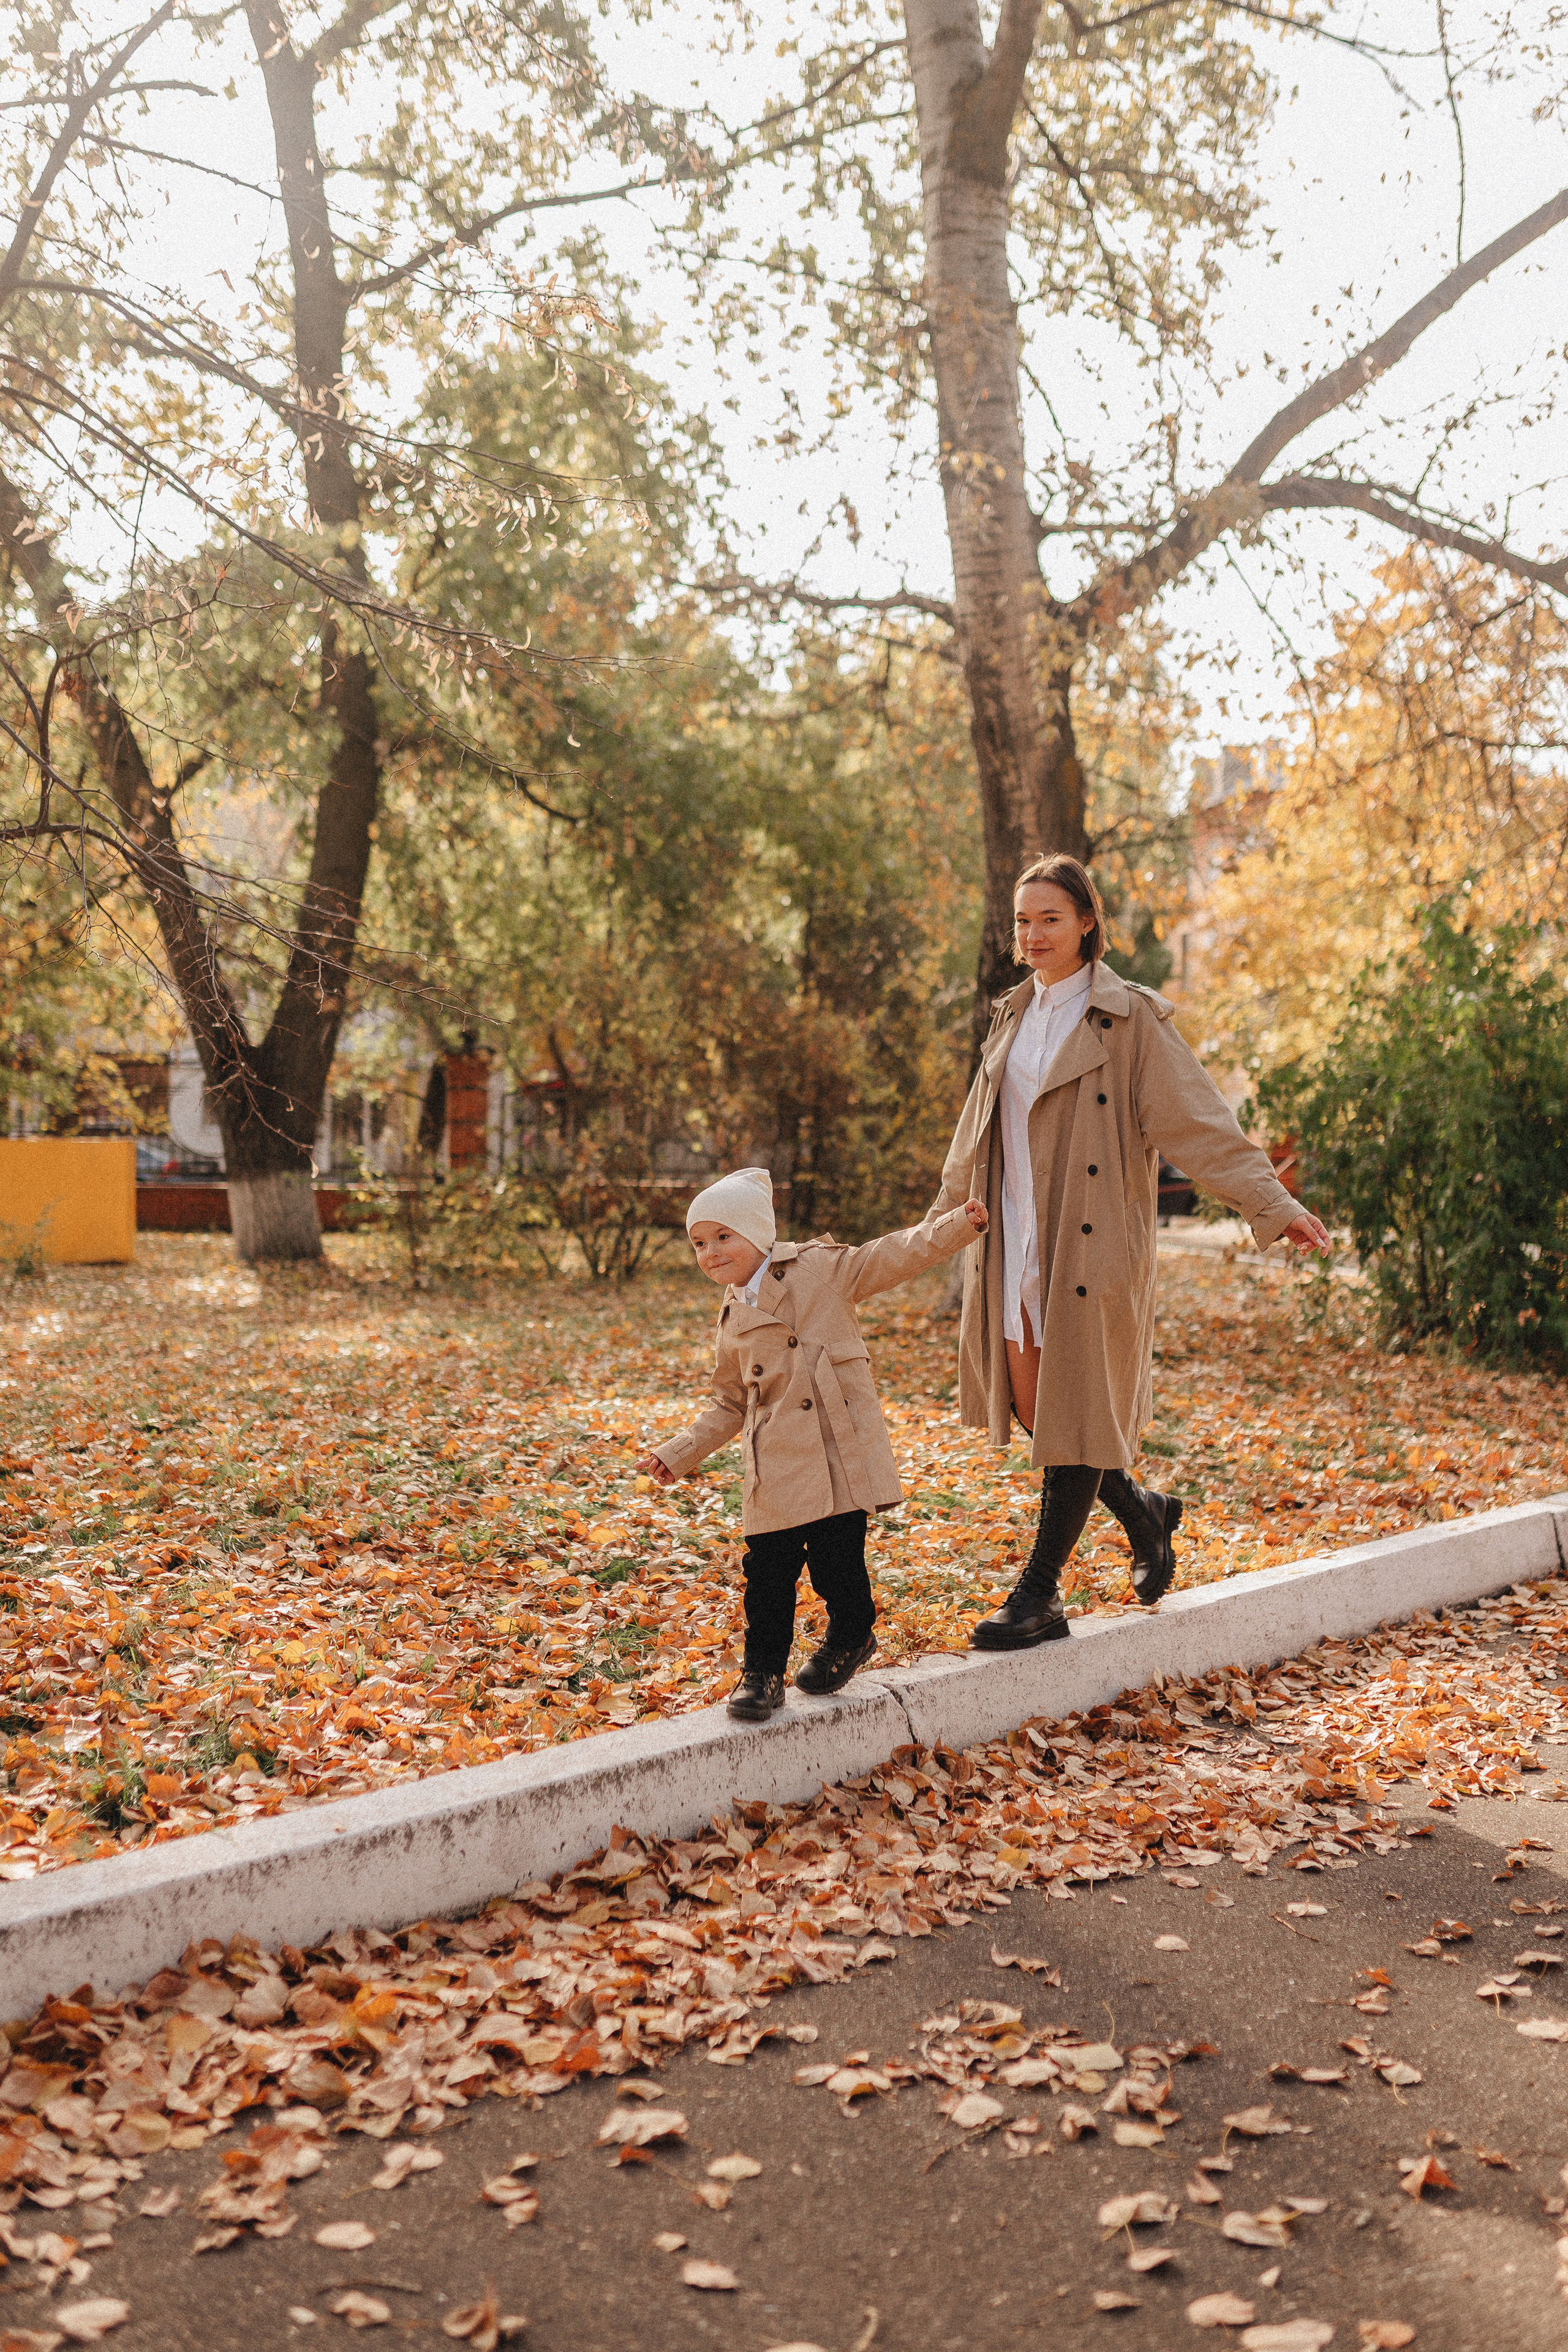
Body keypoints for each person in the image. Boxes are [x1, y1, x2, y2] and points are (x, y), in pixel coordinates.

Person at [930, 853, 1329, 1651]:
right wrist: (931, 1234)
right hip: (1013, 1239)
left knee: (1074, 1413)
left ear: (1087, 923)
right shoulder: (1010, 1016)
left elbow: (1199, 1122)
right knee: (1049, 1410)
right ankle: (1146, 1517)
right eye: (1023, 920)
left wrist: (1272, 1203)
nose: (1035, 933)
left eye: (1051, 917)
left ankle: (1038, 1596)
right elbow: (972, 1140)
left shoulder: (1129, 1018)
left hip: (1090, 1244)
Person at [638, 1166, 989, 1721]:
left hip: (833, 1450)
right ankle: (762, 1675)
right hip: (773, 1463)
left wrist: (957, 1227)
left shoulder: (820, 1269)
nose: (710, 1252)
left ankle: (852, 1637)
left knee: (837, 1565)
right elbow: (730, 1402)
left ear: (758, 1234)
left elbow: (891, 1254)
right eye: (699, 1243)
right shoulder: (732, 1317)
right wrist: (678, 1452)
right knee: (767, 1576)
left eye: (723, 1237)